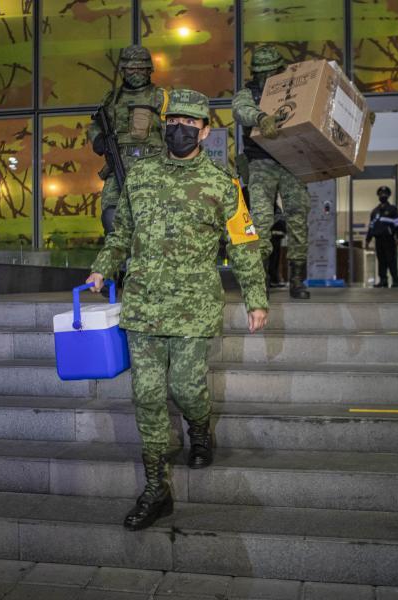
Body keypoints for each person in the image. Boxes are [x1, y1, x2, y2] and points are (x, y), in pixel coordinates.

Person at [86, 89, 269, 531]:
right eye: (174, 122)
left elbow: (243, 245)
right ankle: (156, 489)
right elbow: (120, 233)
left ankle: (199, 427)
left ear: (205, 132)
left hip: (194, 308)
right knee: (147, 396)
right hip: (143, 306)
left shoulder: (223, 185)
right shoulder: (139, 176)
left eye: (190, 124)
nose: (180, 129)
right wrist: (101, 268)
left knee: (187, 389)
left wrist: (256, 298)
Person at [232, 44, 311, 300]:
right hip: (260, 161)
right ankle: (261, 279)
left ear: (280, 70)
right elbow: (240, 110)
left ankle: (297, 280)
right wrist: (260, 118)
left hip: (291, 160)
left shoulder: (296, 88)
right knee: (261, 222)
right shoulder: (248, 93)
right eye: (261, 73)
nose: (265, 77)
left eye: (271, 72)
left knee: (298, 218)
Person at [88, 45, 169, 235]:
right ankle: (119, 251)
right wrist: (98, 139)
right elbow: (95, 125)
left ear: (150, 70)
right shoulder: (111, 98)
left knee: (151, 219)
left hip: (151, 167)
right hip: (117, 165)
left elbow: (170, 131)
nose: (137, 73)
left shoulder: (160, 97)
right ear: (123, 70)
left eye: (141, 68)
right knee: (111, 215)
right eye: (132, 68)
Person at [365, 186, 398, 288]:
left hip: (389, 239)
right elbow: (371, 226)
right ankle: (383, 280)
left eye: (385, 194)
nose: (383, 195)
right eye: (381, 194)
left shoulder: (393, 209)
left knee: (391, 260)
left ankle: (395, 281)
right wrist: (367, 240)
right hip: (378, 239)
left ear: (388, 195)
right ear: (378, 195)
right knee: (381, 260)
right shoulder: (375, 211)